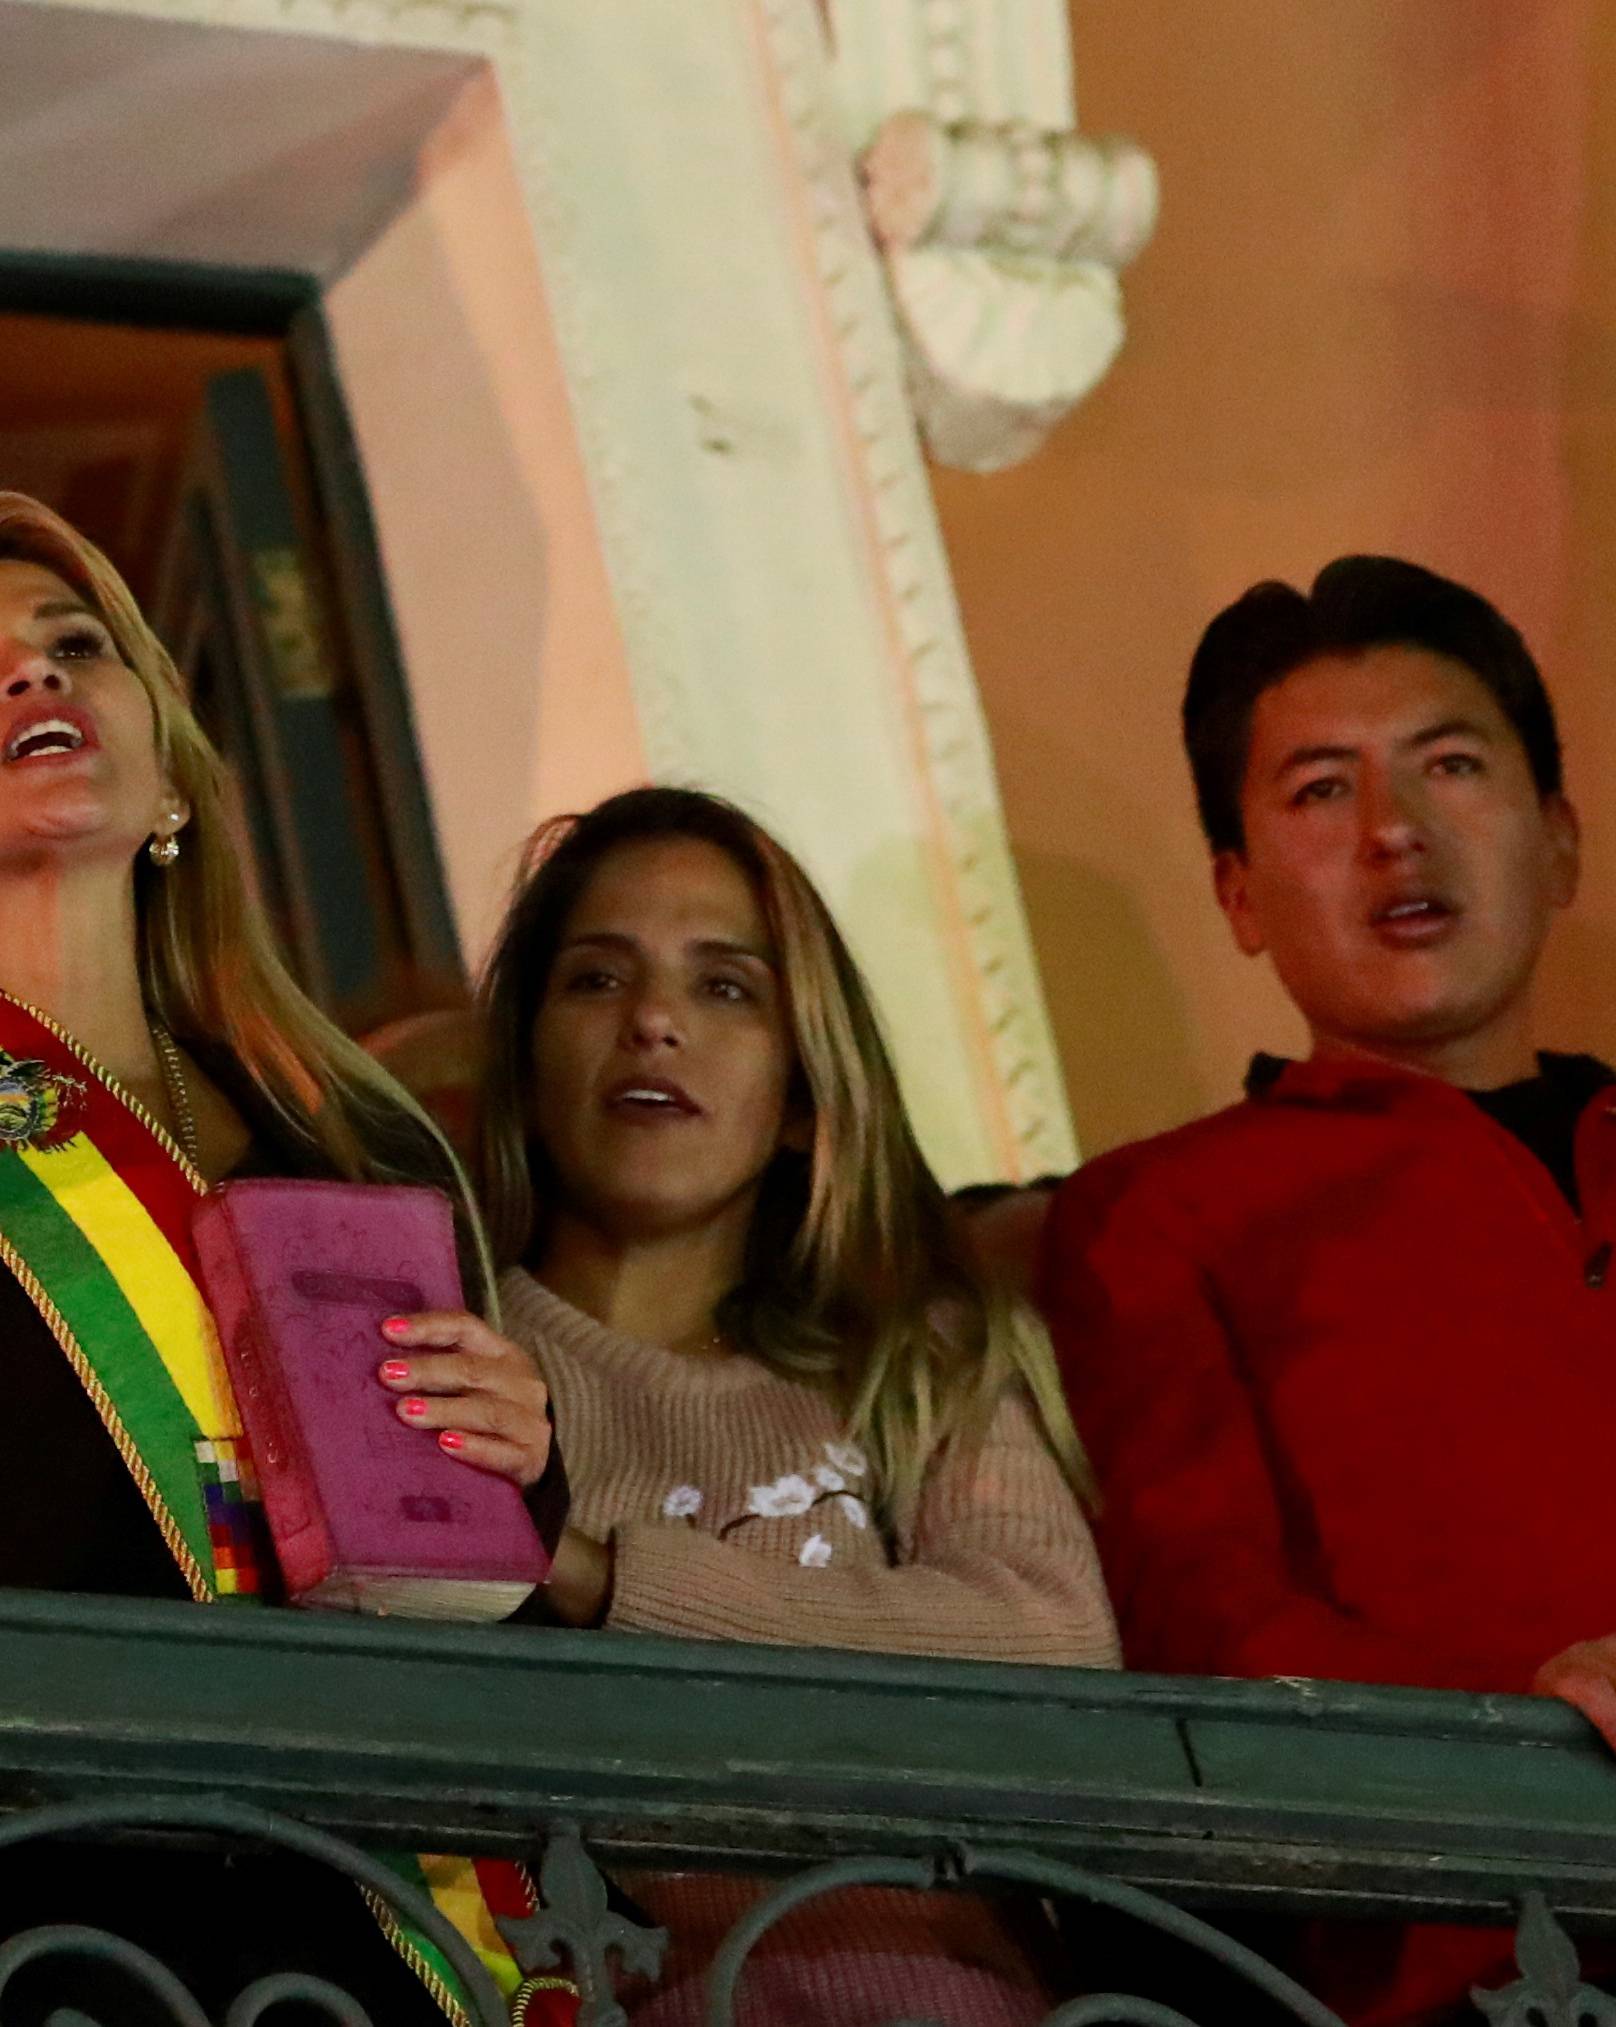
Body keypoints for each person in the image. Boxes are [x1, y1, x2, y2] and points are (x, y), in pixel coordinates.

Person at [1037, 556, 1616, 2024]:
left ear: (1562, 841)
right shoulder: (1161, 1214)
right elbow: (1208, 1618)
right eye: (1322, 789)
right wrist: (1519, 1696)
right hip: (1511, 1961)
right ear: (1238, 892)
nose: (1396, 831)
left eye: (1451, 763)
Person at [0, 492, 566, 2023]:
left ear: (172, 766)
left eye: (75, 644)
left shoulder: (363, 1140)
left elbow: (497, 1599)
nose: (34, 676)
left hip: (387, 1911)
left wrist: (523, 1450)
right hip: (77, 1918)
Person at [475, 784, 1119, 2025]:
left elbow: (1051, 1648)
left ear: (804, 1091)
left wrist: (613, 1582)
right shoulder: (447, 1354)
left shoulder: (915, 1353)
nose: (655, 1022)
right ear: (524, 1050)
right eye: (598, 980)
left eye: (727, 987)